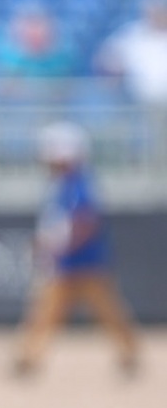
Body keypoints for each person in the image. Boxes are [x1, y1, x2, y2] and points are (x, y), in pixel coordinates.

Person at [13, 121, 140, 375]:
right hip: (70, 261)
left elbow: (85, 221)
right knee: (45, 311)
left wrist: (58, 246)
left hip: (85, 261)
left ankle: (129, 353)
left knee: (108, 311)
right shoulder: (63, 184)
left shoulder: (78, 183)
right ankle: (28, 356)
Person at [94, 0, 167, 106]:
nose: (156, 15)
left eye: (160, 11)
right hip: (136, 103)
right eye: (153, 10)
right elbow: (107, 57)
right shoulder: (132, 34)